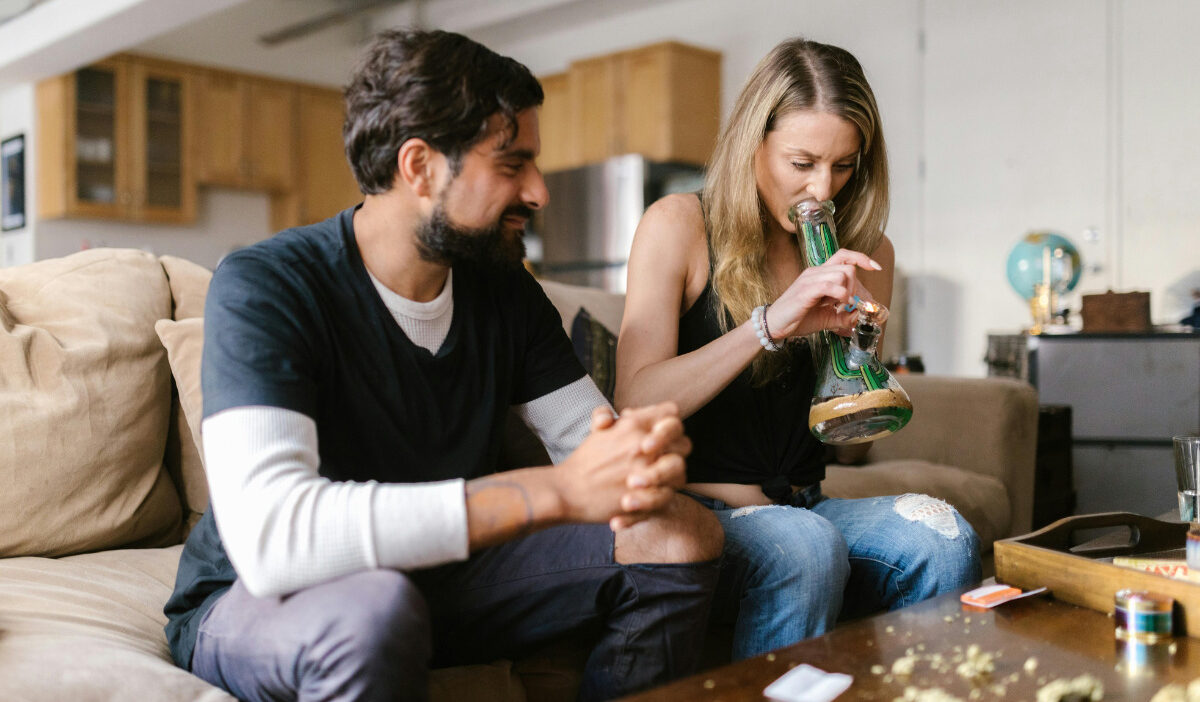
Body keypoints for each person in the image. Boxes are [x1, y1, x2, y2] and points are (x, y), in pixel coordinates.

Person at [163, 28, 723, 702]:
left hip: (448, 572)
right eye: (512, 164)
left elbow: (592, 443)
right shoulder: (269, 283)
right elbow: (273, 536)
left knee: (677, 534)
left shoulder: (504, 287)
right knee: (371, 611)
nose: (539, 191)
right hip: (272, 594)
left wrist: (640, 461)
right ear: (420, 167)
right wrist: (553, 493)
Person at [615, 37, 980, 661]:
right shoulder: (678, 225)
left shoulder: (868, 252)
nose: (822, 188)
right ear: (751, 143)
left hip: (808, 507)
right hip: (701, 515)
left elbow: (851, 445)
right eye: (801, 162)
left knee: (945, 538)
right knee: (804, 546)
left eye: (843, 166)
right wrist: (770, 325)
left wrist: (861, 360)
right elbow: (635, 403)